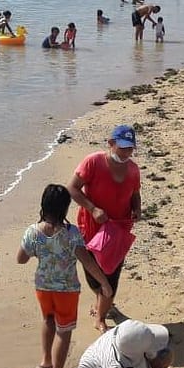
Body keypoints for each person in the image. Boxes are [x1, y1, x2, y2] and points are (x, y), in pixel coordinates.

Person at [18, 184, 114, 368]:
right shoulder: (71, 233)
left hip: (43, 286)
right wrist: (104, 283)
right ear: (65, 208)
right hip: (67, 290)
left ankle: (45, 359)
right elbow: (86, 261)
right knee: (64, 331)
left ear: (43, 205)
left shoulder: (33, 232)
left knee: (48, 320)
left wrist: (40, 251)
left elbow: (21, 259)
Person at [66, 125, 141, 332]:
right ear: (111, 144)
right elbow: (72, 188)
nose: (126, 153)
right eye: (122, 148)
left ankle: (100, 316)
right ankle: (101, 299)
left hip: (118, 230)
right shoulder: (94, 162)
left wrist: (137, 209)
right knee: (93, 275)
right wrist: (92, 208)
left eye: (130, 149)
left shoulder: (133, 169)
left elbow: (135, 194)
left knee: (112, 275)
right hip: (90, 228)